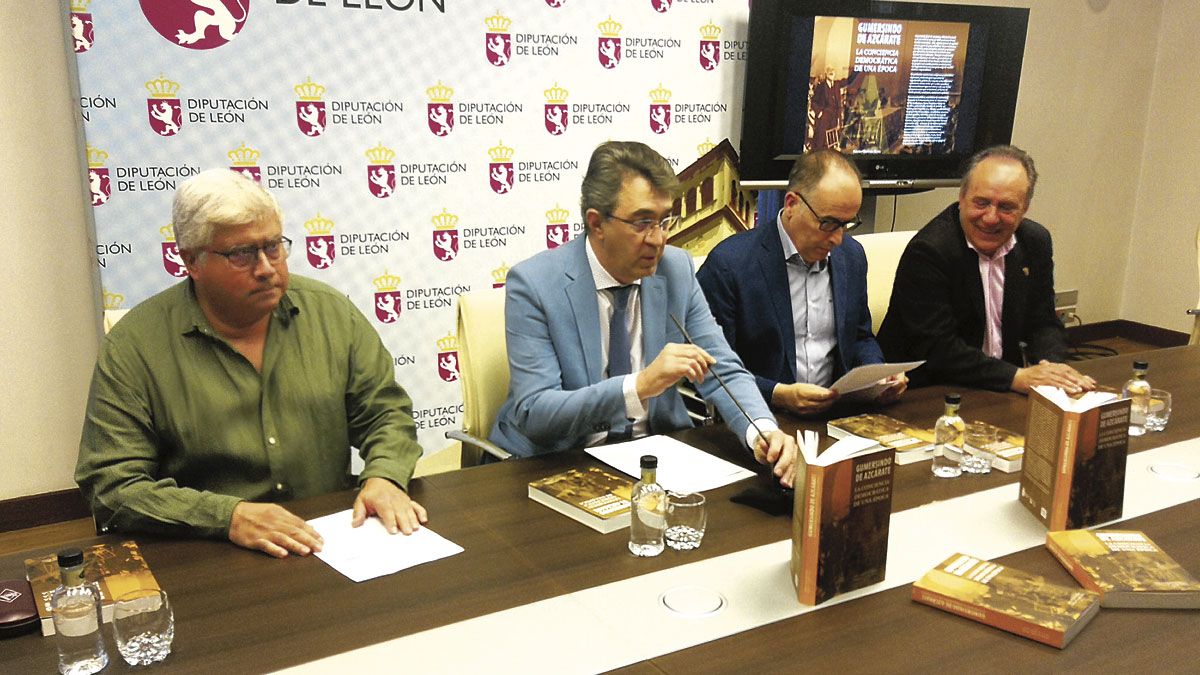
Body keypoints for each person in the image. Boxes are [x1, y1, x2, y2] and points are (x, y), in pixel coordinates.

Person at [76, 169, 427, 559]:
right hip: (208, 550)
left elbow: (386, 414)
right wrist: (227, 517)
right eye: (241, 254)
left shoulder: (332, 314)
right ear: (191, 260)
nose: (265, 268)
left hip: (330, 540)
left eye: (273, 246)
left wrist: (384, 475)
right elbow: (111, 486)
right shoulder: (134, 346)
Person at [488, 141, 797, 487]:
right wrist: (638, 387)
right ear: (597, 223)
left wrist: (762, 431)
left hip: (656, 460)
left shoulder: (676, 270)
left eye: (665, 220)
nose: (658, 239)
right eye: (642, 222)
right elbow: (535, 413)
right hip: (558, 463)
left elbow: (721, 367)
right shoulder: (534, 285)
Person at [698, 150, 906, 416]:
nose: (838, 239)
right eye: (829, 223)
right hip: (759, 419)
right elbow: (711, 368)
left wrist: (879, 377)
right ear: (792, 204)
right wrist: (777, 394)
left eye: (847, 224)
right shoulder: (730, 265)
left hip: (837, 416)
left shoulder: (850, 258)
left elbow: (859, 337)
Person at [876, 145, 1095, 394]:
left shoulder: (1035, 242)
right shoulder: (929, 251)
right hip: (932, 390)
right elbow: (938, 350)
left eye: (1006, 207)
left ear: (1025, 208)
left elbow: (1043, 322)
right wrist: (1018, 377)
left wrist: (1052, 368)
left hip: (1000, 387)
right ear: (961, 197)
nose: (991, 218)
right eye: (981, 203)